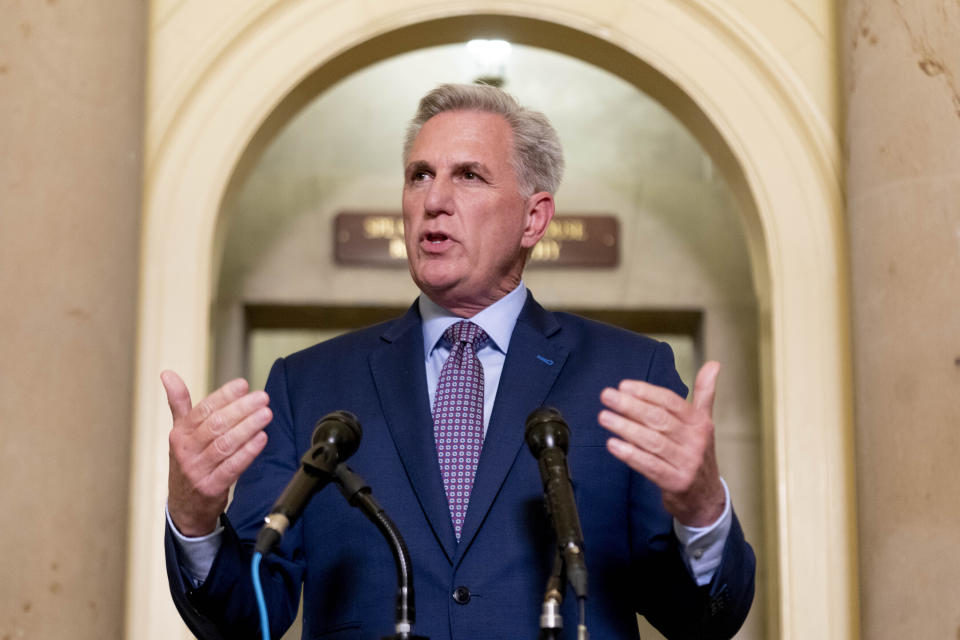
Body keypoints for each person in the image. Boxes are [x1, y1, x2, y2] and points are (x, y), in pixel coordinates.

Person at [163, 83, 755, 639]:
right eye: (420, 175)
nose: (435, 200)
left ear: (534, 218)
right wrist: (195, 522)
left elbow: (700, 621)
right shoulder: (308, 385)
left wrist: (702, 512)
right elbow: (246, 618)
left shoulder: (629, 373)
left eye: (469, 175)